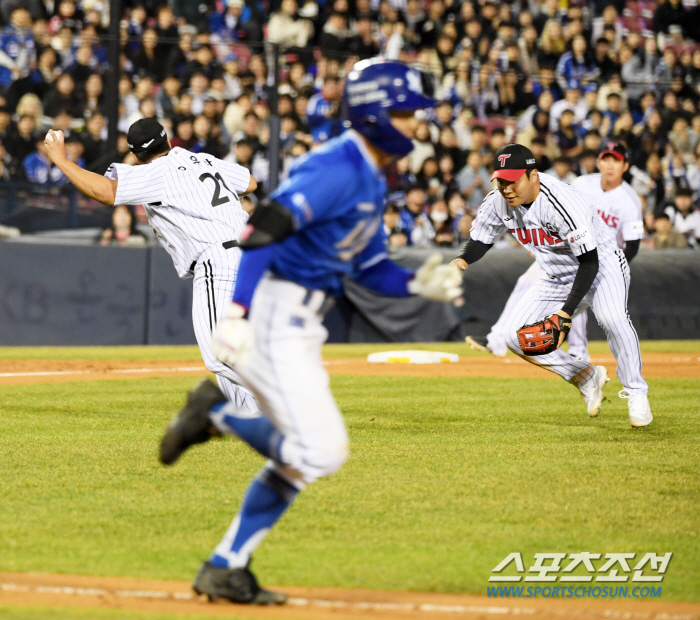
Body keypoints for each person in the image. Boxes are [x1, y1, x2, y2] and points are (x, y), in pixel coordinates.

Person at [157, 59, 462, 605]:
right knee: (321, 451)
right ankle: (217, 415)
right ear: (375, 114)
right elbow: (264, 227)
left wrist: (419, 283)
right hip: (275, 313)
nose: (417, 124)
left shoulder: (370, 174)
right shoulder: (338, 166)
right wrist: (238, 311)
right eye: (406, 113)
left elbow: (370, 270)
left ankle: (226, 564)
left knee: (307, 457)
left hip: (299, 322)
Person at [42, 117, 259, 413]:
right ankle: (258, 420)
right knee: (231, 360)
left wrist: (61, 160)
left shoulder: (157, 172)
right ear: (167, 138)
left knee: (218, 356)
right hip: (251, 257)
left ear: (135, 156)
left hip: (219, 260)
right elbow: (250, 183)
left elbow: (105, 192)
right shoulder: (202, 158)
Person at [454, 143, 652, 428]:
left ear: (533, 175)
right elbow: (482, 238)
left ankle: (636, 392)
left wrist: (565, 312)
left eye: (513, 180)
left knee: (612, 318)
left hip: (601, 265)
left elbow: (589, 262)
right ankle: (585, 376)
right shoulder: (498, 200)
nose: (506, 187)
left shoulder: (562, 202)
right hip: (556, 274)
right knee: (513, 337)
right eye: (501, 180)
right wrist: (463, 260)